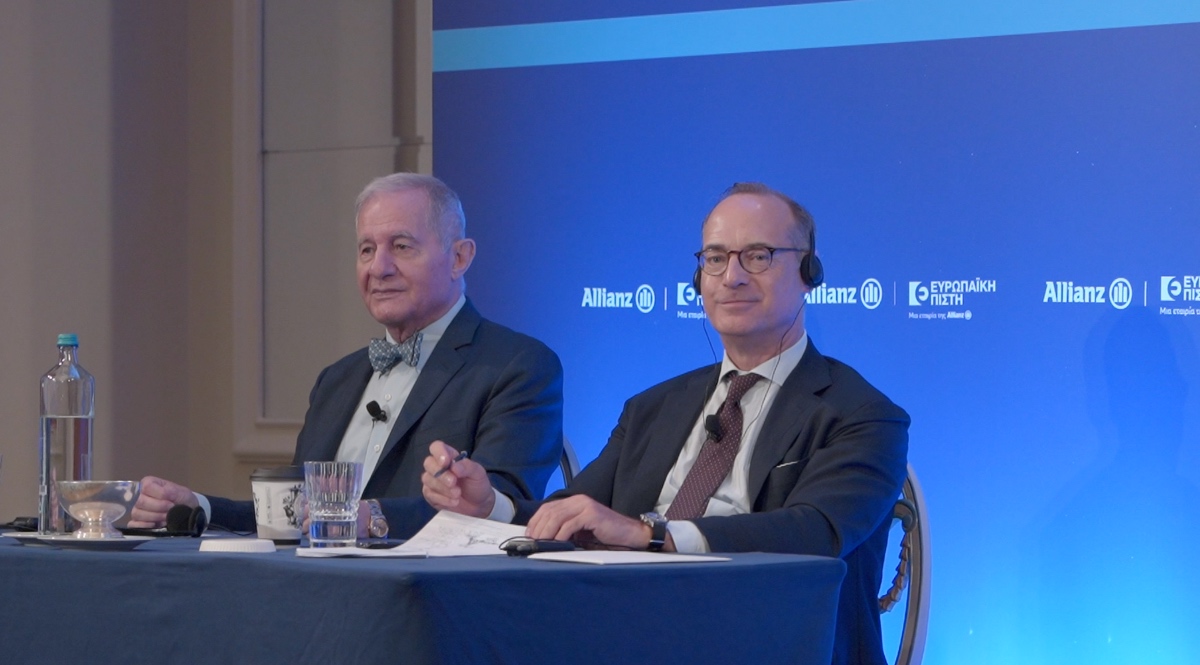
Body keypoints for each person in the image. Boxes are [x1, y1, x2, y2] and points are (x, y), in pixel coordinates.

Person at [422, 182, 909, 665]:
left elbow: (816, 533)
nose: (731, 276)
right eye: (715, 258)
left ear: (809, 272)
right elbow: (574, 511)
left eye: (757, 256)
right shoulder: (652, 407)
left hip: (771, 641)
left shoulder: (862, 415)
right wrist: (491, 507)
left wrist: (653, 536)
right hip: (624, 633)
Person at [130, 173, 563, 539]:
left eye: (402, 246)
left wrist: (372, 518)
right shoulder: (336, 379)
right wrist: (200, 508)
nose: (379, 268)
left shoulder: (517, 366)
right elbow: (295, 516)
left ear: (459, 258)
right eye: (366, 249)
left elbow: (501, 507)